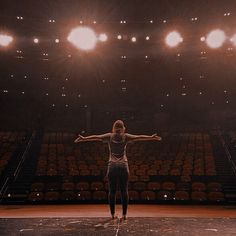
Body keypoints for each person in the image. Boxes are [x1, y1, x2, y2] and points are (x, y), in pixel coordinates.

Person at [74, 120, 162, 220]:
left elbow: (96, 137)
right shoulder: (126, 136)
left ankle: (112, 215)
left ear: (113, 127)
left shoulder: (109, 136)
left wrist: (84, 138)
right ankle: (124, 215)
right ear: (123, 127)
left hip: (112, 167)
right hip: (123, 166)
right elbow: (139, 137)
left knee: (112, 192)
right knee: (124, 191)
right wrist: (151, 137)